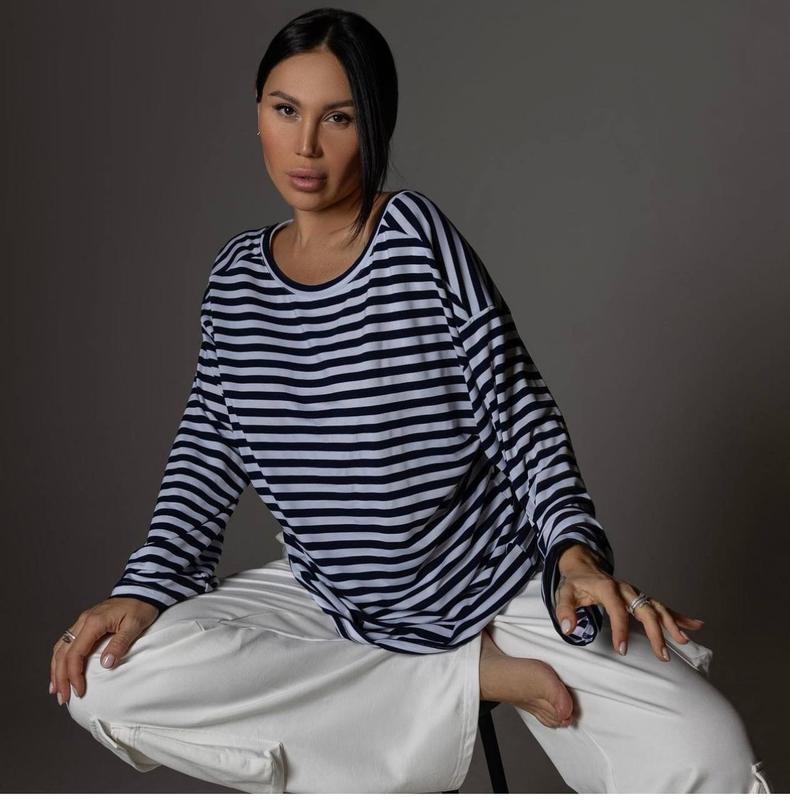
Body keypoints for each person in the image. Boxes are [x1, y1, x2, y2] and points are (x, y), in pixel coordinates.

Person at [51, 7, 772, 794]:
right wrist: (144, 588)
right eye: (286, 110)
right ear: (257, 113)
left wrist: (572, 555)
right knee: (108, 679)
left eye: (339, 118)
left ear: (375, 126)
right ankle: (465, 680)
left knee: (710, 755)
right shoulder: (235, 281)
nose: (306, 145)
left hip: (493, 584)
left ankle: (443, 680)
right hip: (333, 602)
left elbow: (520, 412)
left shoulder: (414, 236)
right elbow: (206, 452)